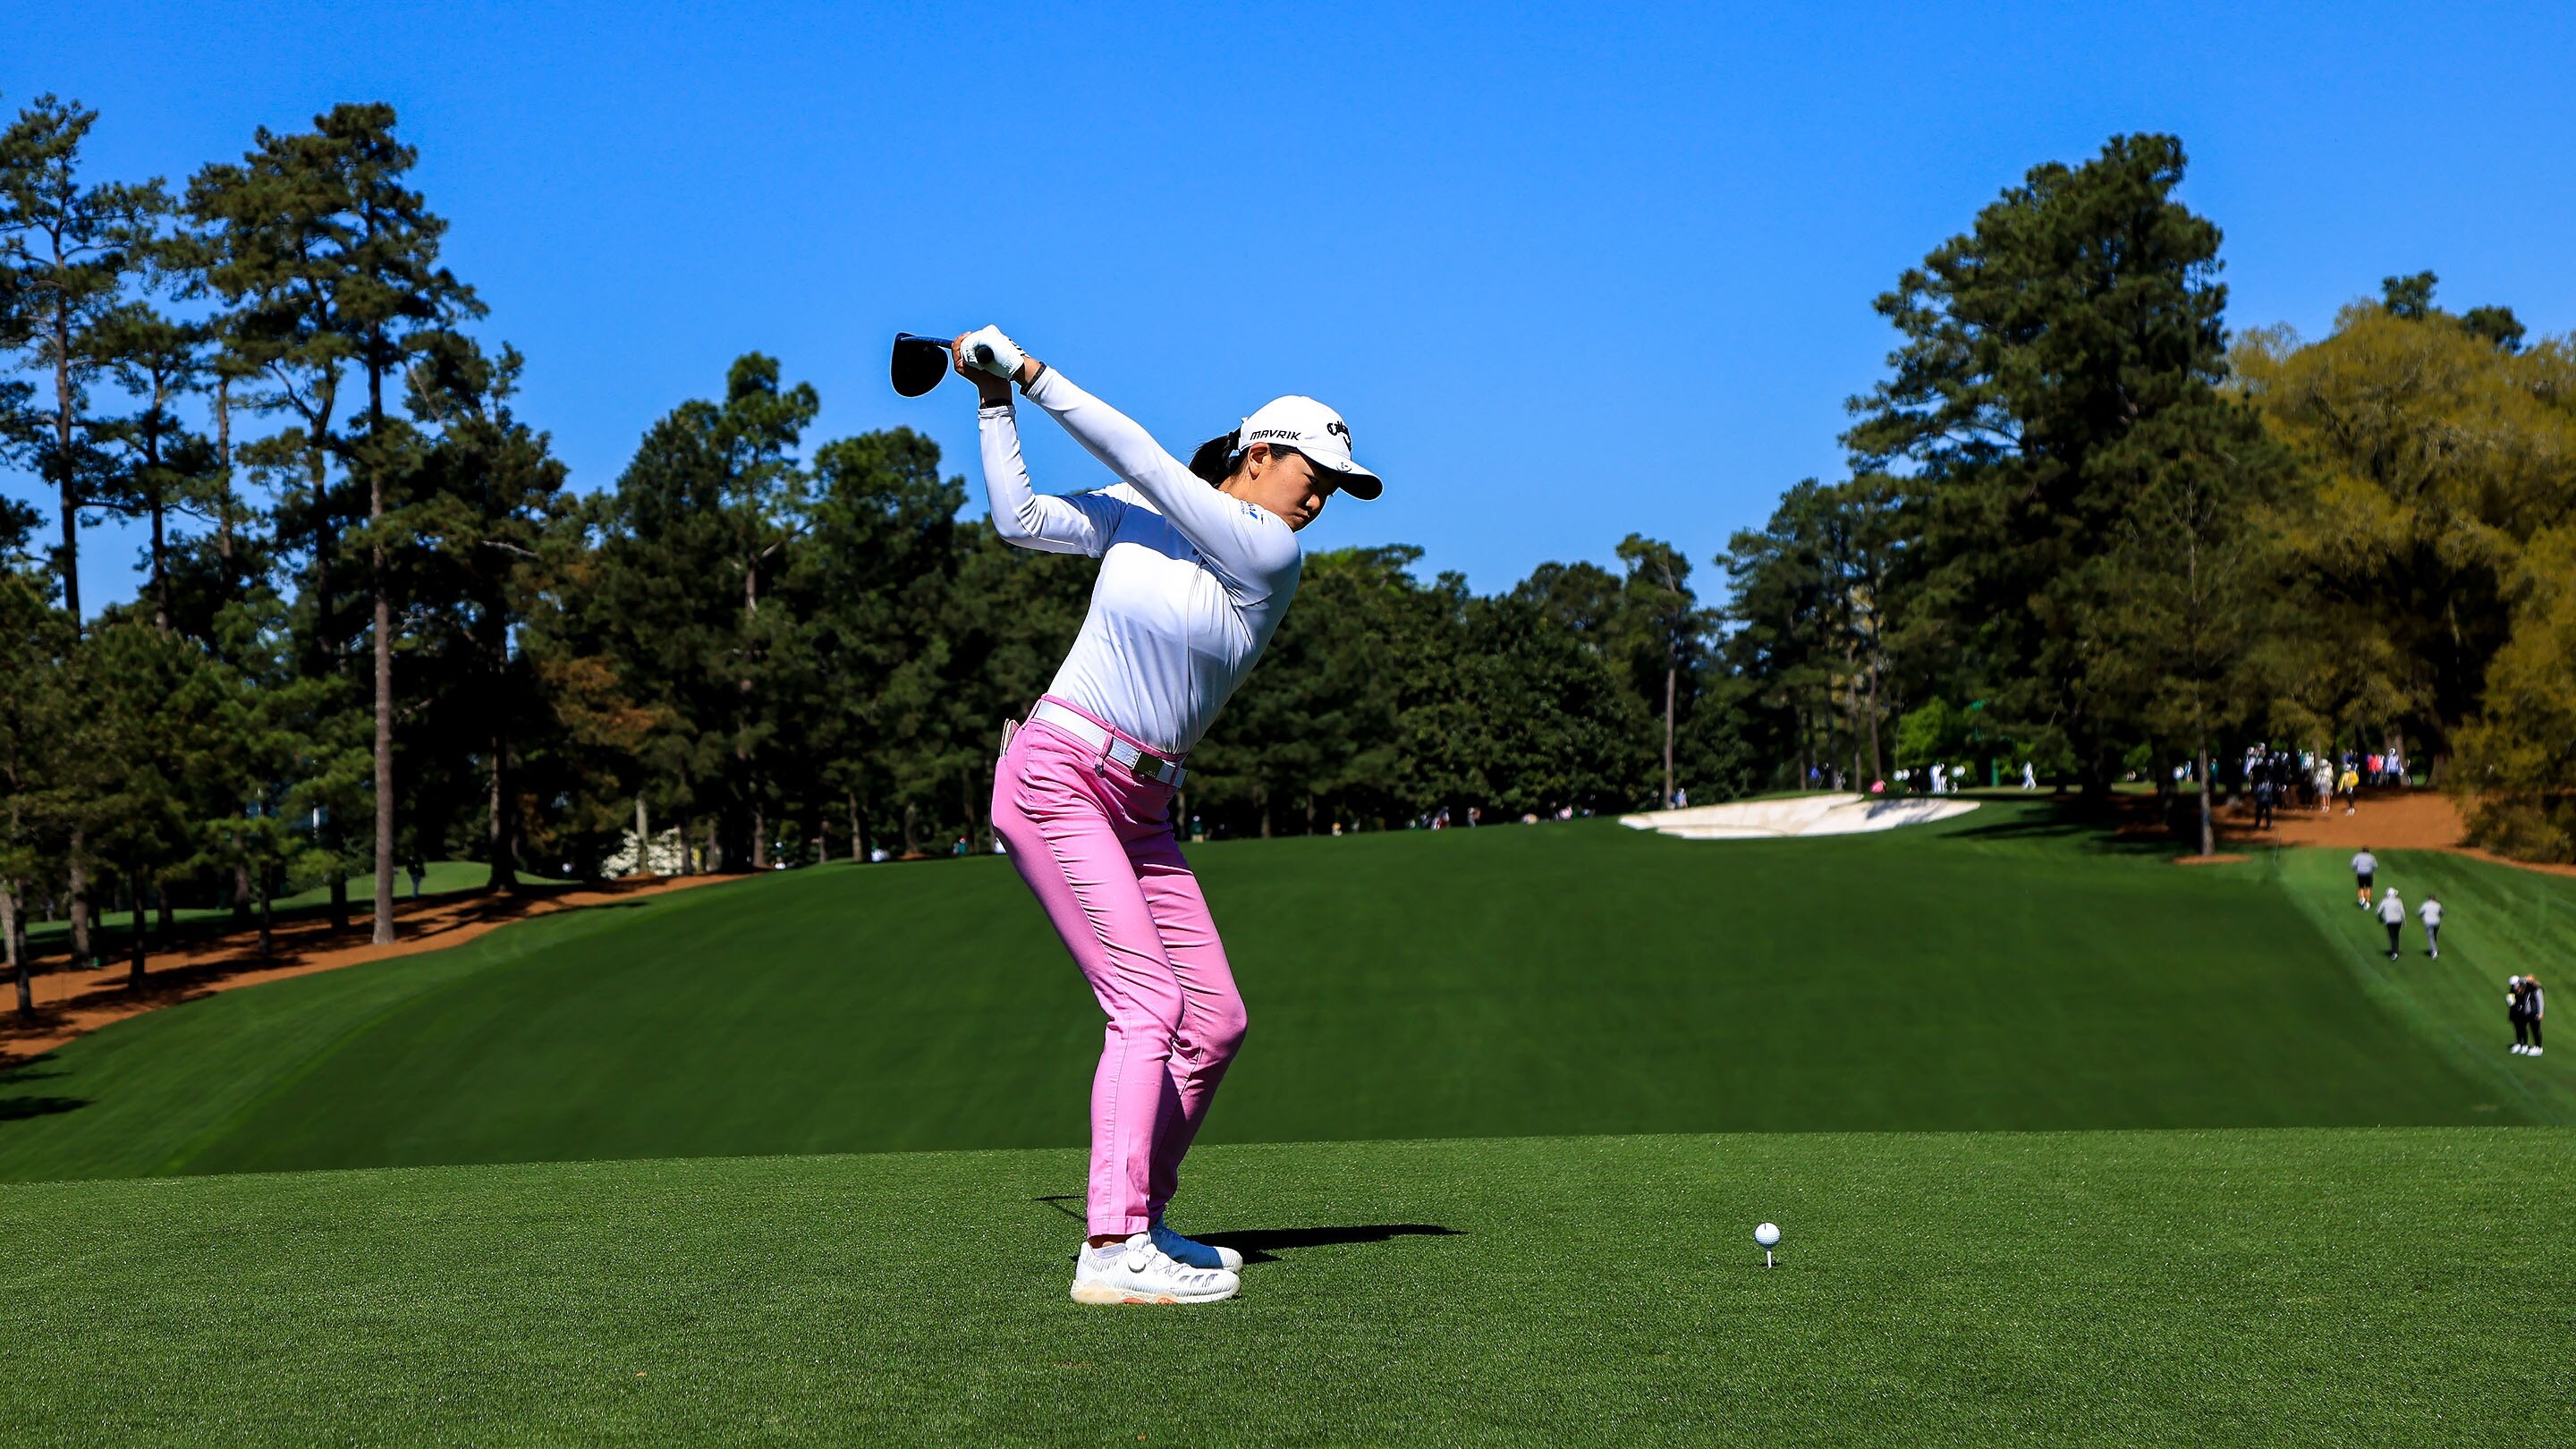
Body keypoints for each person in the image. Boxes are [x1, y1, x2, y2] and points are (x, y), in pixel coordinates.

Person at [958, 326, 1383, 1307]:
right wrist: (995, 400)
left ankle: (1141, 1212)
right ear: (1259, 453)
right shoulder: (1147, 514)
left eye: (1336, 486)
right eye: (1313, 472)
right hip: (1059, 773)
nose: (1320, 497)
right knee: (1148, 1005)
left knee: (1216, 1021)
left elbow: (1146, 456)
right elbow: (1021, 520)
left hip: (1143, 808)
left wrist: (1029, 368)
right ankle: (1111, 1249)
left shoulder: (1271, 555)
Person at [2377, 886, 2406, 961]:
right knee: (2396, 936)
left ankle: (2394, 952)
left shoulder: (2384, 901)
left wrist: (2380, 919)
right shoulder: (2398, 901)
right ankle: (2396, 950)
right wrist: (2404, 921)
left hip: (2389, 921)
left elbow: (2378, 911)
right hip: (2398, 921)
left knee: (2392, 936)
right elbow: (2402, 911)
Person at [2351, 847, 2377, 911]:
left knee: (2361, 887)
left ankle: (2362, 898)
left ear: (2362, 851)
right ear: (2368, 851)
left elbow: (2353, 864)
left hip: (2360, 873)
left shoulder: (2357, 856)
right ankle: (2367, 903)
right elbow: (2375, 866)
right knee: (2368, 888)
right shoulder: (2371, 857)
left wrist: (2357, 869)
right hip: (2368, 874)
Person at [2524, 974, 2545, 1056]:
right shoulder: (2528, 989)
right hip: (2530, 1013)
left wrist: (2541, 1013)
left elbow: (2540, 1002)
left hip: (2535, 1012)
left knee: (2536, 1030)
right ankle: (2536, 1046)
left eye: (2529, 979)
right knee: (2532, 1030)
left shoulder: (2537, 989)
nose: (2527, 980)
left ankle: (2539, 1047)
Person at [2509, 976, 2530, 1055]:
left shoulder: (2524, 989)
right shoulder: (2512, 989)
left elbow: (2526, 1000)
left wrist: (2521, 1006)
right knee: (2517, 1028)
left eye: (2515, 984)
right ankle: (2518, 1043)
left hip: (2523, 1013)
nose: (2514, 986)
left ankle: (2525, 1045)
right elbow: (2511, 1000)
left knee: (2523, 1028)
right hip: (2516, 1012)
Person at [2419, 893, 2442, 959]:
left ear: (2429, 899)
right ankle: (2434, 947)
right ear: (2434, 899)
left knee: (2431, 937)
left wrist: (2422, 915)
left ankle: (2434, 951)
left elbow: (2420, 912)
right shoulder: (2438, 905)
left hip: (2428, 922)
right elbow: (2441, 912)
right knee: (2434, 936)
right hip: (2437, 922)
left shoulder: (2425, 904)